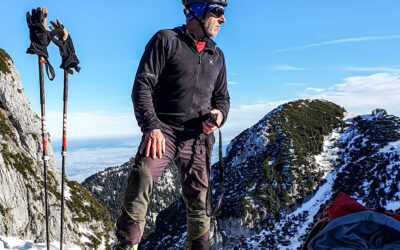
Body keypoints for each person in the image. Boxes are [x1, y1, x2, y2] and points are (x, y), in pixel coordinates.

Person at [115, 0, 230, 249]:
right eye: (218, 12)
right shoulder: (166, 40)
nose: (223, 20)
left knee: (200, 204)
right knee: (142, 179)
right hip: (163, 129)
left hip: (198, 136)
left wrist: (219, 115)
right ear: (198, 11)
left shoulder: (216, 55)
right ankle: (126, 246)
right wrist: (151, 127)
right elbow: (142, 86)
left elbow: (222, 98)